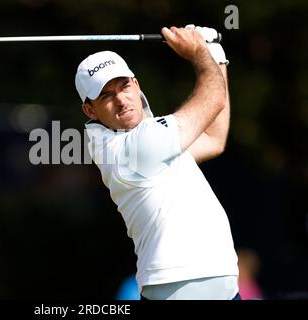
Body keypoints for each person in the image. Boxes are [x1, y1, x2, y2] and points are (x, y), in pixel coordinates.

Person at [75, 25, 240, 300]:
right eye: (106, 95)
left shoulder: (155, 138)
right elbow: (213, 100)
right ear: (90, 110)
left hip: (219, 288)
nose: (120, 99)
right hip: (178, 288)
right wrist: (200, 52)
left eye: (124, 86)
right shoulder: (133, 148)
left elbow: (213, 138)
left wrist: (216, 56)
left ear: (136, 84)